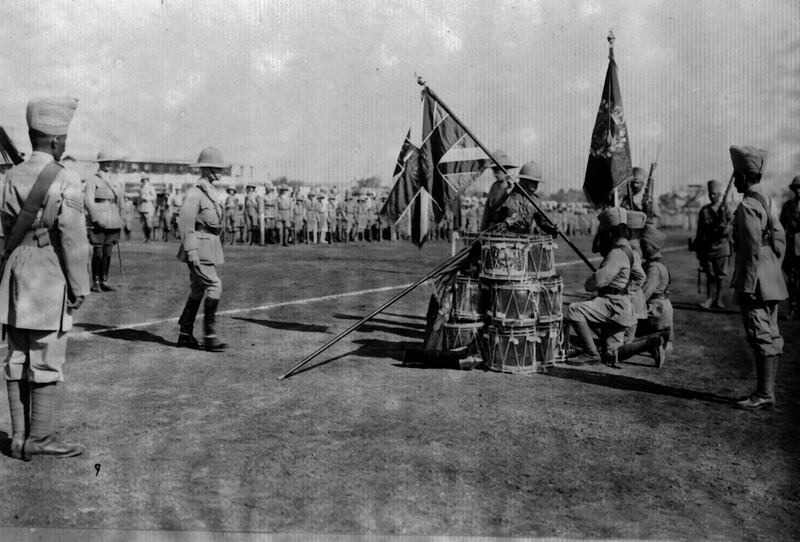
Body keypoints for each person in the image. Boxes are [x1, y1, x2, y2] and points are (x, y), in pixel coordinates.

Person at [1, 96, 90, 460]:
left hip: (13, 273)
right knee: (46, 356)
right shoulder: (64, 178)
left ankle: (19, 436)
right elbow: (71, 238)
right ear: (55, 141)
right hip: (48, 274)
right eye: (63, 139)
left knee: (16, 354)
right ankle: (40, 438)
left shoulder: (9, 176)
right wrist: (79, 286)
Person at [729, 145, 788, 410]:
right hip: (771, 275)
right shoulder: (768, 200)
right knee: (771, 332)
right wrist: (773, 266)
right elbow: (779, 239)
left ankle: (765, 393)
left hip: (755, 278)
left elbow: (751, 249)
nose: (734, 182)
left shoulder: (748, 205)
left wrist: (749, 283)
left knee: (760, 332)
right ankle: (767, 391)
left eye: (736, 176)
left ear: (742, 176)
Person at [565, 207, 639, 366]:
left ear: (610, 234)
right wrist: (625, 290)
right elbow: (639, 276)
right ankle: (649, 343)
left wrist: (590, 283)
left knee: (575, 309)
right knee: (611, 354)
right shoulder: (630, 251)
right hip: (623, 305)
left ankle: (591, 353)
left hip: (613, 305)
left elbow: (597, 282)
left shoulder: (616, 254)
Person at [176, 147, 228, 352]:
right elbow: (185, 222)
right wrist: (192, 251)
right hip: (198, 246)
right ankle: (209, 336)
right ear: (206, 169)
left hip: (209, 246)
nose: (221, 171)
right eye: (216, 167)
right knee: (215, 285)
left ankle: (185, 334)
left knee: (198, 288)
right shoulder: (195, 192)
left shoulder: (211, 191)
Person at [617, 224, 673, 367]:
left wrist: (626, 299)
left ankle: (655, 347)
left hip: (655, 310)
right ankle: (658, 346)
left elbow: (644, 294)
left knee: (632, 329)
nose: (642, 248)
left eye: (645, 245)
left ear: (654, 247)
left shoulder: (654, 268)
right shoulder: (658, 262)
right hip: (662, 306)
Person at [84, 150, 123, 292]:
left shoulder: (116, 180)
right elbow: (88, 200)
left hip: (113, 220)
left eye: (109, 162)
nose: (107, 164)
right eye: (104, 162)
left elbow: (120, 201)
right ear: (99, 163)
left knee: (108, 252)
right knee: (98, 251)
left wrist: (120, 219)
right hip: (98, 220)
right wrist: (96, 218)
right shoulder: (93, 179)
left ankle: (104, 280)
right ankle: (95, 281)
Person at [694, 179, 733, 309]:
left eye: (715, 194)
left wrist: (725, 227)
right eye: (710, 193)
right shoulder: (704, 210)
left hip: (722, 247)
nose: (712, 196)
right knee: (710, 274)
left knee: (721, 275)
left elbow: (731, 225)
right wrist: (698, 249)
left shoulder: (726, 209)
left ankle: (719, 299)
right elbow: (699, 231)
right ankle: (709, 299)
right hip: (708, 247)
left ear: (720, 195)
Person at [501, 160, 559, 236]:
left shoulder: (534, 200)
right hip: (506, 238)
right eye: (533, 182)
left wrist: (551, 228)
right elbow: (510, 213)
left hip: (525, 240)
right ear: (523, 181)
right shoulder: (510, 194)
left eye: (537, 183)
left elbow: (542, 221)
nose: (535, 186)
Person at [779, 176, 800, 319]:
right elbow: (780, 227)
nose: (799, 190)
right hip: (792, 248)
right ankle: (792, 308)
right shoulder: (787, 206)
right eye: (797, 188)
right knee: (792, 279)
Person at [480, 150, 518, 230]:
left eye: (497, 170)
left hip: (507, 228)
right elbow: (487, 209)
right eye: (494, 170)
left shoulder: (514, 187)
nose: (495, 174)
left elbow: (514, 212)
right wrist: (483, 229)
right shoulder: (494, 186)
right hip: (492, 227)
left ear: (506, 169)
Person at [137, 176, 156, 242]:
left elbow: (154, 196)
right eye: (143, 180)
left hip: (149, 207)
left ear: (148, 180)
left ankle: (149, 237)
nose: (144, 181)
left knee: (149, 223)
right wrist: (138, 207)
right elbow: (138, 199)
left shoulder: (151, 187)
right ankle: (146, 237)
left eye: (145, 179)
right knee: (143, 224)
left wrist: (147, 198)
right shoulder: (141, 188)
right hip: (142, 207)